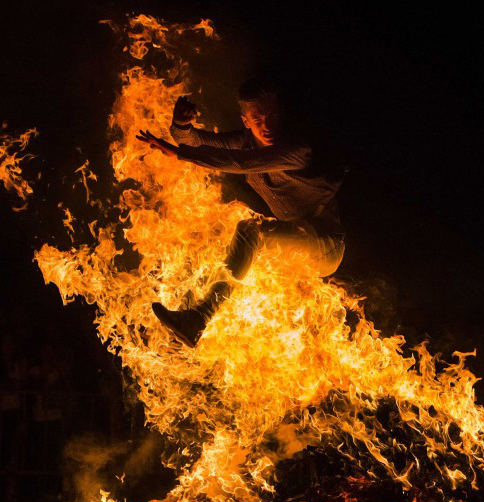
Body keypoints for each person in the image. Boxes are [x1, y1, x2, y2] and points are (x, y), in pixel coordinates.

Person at [137, 77, 345, 347]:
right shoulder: (245, 142)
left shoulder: (297, 150)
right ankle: (187, 319)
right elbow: (197, 141)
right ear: (245, 121)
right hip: (292, 245)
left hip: (324, 246)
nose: (266, 125)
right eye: (257, 119)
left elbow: (243, 163)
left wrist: (182, 155)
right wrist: (181, 125)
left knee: (251, 231)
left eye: (271, 116)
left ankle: (199, 318)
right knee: (222, 245)